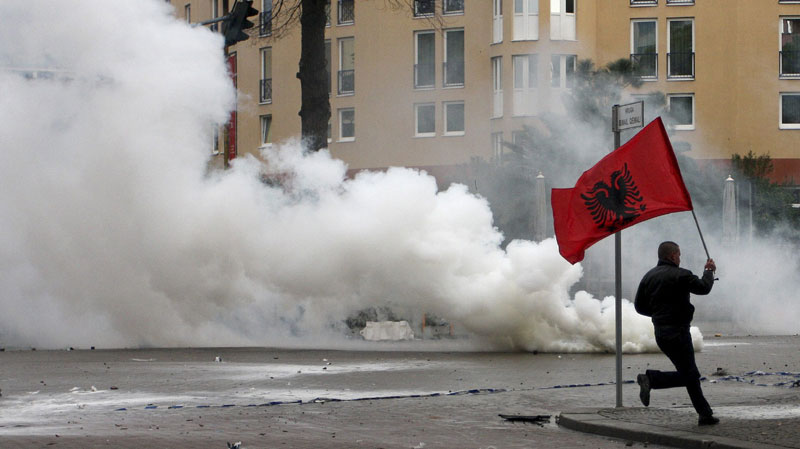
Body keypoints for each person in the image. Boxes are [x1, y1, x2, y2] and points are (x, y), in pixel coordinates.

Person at [634, 241, 719, 426]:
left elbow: (639, 307)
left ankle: (705, 414)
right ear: (672, 256)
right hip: (679, 332)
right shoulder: (682, 275)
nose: (680, 258)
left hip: (660, 333)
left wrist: (658, 313)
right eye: (679, 254)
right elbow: (703, 288)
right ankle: (651, 379)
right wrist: (709, 271)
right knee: (690, 375)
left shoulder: (648, 276)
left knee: (688, 372)